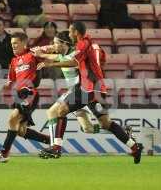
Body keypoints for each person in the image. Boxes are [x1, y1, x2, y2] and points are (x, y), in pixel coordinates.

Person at [34, 21, 144, 163]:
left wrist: (52, 64)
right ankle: (135, 147)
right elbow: (102, 59)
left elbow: (74, 62)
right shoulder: (94, 45)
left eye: (70, 31)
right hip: (99, 87)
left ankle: (56, 147)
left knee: (60, 111)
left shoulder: (82, 43)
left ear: (76, 32)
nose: (69, 34)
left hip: (88, 87)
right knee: (105, 124)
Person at [0, 32, 51, 163]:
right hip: (18, 95)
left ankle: (4, 154)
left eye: (16, 43)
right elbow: (11, 80)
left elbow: (49, 51)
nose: (13, 46)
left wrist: (48, 54)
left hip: (29, 93)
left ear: (24, 43)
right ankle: (51, 141)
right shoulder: (14, 61)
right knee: (20, 130)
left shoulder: (32, 53)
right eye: (12, 44)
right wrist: (5, 86)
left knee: (13, 119)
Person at [35, 31, 98, 137]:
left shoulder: (75, 54)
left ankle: (54, 145)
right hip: (76, 94)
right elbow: (57, 57)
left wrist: (47, 59)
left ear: (64, 44)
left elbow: (71, 61)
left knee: (51, 112)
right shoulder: (63, 54)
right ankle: (121, 131)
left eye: (56, 43)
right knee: (87, 128)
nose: (53, 45)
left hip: (79, 91)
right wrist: (41, 52)